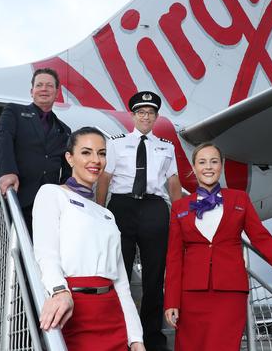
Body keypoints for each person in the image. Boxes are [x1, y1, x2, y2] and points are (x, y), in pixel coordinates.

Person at [163, 142, 272, 350]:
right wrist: (171, 300)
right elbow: (174, 258)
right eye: (202, 162)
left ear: (221, 165)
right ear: (193, 168)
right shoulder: (180, 207)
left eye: (214, 161)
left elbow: (262, 240)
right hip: (190, 295)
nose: (208, 167)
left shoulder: (240, 199)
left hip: (229, 293)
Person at [33, 127, 146, 351]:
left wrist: (136, 339)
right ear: (70, 158)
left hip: (112, 313)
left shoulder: (106, 213)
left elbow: (122, 284)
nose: (96, 160)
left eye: (102, 153)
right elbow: (46, 254)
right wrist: (59, 291)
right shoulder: (52, 193)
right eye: (86, 152)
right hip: (73, 308)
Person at [96, 91, 181, 351]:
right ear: (133, 116)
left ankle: (152, 336)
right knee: (116, 271)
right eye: (141, 112)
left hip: (154, 208)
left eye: (151, 113)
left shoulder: (166, 147)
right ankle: (120, 332)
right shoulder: (116, 143)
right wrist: (100, 212)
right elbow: (105, 179)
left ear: (156, 117)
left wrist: (179, 218)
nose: (146, 117)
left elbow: (174, 183)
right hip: (122, 206)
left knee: (154, 276)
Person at [0, 68, 71, 235]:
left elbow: (68, 165)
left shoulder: (64, 130)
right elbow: (3, 140)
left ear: (56, 92)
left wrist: (66, 191)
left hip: (47, 205)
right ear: (32, 91)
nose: (44, 89)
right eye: (39, 85)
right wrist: (7, 172)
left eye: (49, 85)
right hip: (18, 196)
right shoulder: (13, 111)